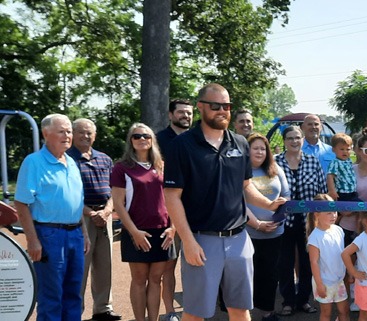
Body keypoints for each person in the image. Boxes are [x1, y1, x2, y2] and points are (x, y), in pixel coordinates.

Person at [163, 83, 286, 321]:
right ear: (201, 107)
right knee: (196, 313)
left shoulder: (240, 143)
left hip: (239, 239)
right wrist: (188, 241)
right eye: (215, 105)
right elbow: (172, 196)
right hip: (201, 240)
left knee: (240, 309)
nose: (222, 110)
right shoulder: (181, 146)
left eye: (226, 106)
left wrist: (269, 205)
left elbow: (246, 187)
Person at [14, 114, 88, 321]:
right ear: (46, 133)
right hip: (49, 235)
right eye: (61, 131)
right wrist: (32, 240)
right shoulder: (34, 162)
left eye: (69, 131)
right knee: (51, 295)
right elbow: (21, 203)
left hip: (75, 234)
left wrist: (84, 233)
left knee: (74, 293)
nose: (67, 135)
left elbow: (76, 202)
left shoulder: (71, 162)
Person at [111, 123, 176, 321]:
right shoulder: (121, 168)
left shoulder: (163, 166)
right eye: (137, 136)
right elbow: (118, 204)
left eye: (146, 136)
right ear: (131, 140)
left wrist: (173, 228)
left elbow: (173, 199)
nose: (142, 139)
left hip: (162, 232)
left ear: (152, 140)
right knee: (139, 280)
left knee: (156, 280)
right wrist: (134, 232)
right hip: (136, 232)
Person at [66, 118, 120, 321]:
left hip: (104, 217)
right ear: (73, 134)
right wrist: (90, 213)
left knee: (105, 265)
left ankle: (103, 308)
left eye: (89, 133)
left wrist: (106, 211)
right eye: (81, 132)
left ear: (95, 135)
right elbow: (68, 194)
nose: (86, 136)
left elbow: (115, 190)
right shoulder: (67, 158)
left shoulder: (104, 159)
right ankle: (75, 310)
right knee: (80, 265)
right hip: (80, 218)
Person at [276, 125, 328, 315]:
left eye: (297, 137)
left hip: (308, 223)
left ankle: (304, 300)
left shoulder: (312, 162)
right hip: (283, 222)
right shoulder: (275, 162)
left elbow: (321, 191)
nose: (294, 141)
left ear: (302, 139)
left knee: (308, 262)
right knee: (285, 263)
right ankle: (288, 301)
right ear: (284, 141)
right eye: (290, 138)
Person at [244, 134, 289, 321]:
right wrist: (258, 224)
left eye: (263, 148)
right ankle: (245, 313)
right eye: (255, 148)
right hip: (248, 234)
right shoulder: (241, 171)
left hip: (275, 233)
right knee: (249, 275)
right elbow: (238, 202)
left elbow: (286, 195)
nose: (260, 152)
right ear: (247, 150)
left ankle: (267, 312)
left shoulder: (275, 169)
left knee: (270, 275)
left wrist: (278, 220)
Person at [154, 98, 192, 321]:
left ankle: (193, 310)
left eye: (189, 113)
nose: (185, 116)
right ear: (170, 115)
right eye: (181, 113)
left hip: (197, 211)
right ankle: (169, 312)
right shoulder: (158, 141)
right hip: (168, 212)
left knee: (197, 266)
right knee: (168, 266)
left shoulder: (196, 138)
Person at [307, 195, 350, 321]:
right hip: (324, 283)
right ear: (317, 214)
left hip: (339, 280)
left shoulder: (339, 230)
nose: (334, 215)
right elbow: (313, 262)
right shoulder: (315, 237)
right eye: (329, 213)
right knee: (326, 314)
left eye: (335, 211)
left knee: (344, 311)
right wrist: (319, 285)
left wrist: (350, 273)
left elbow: (343, 254)